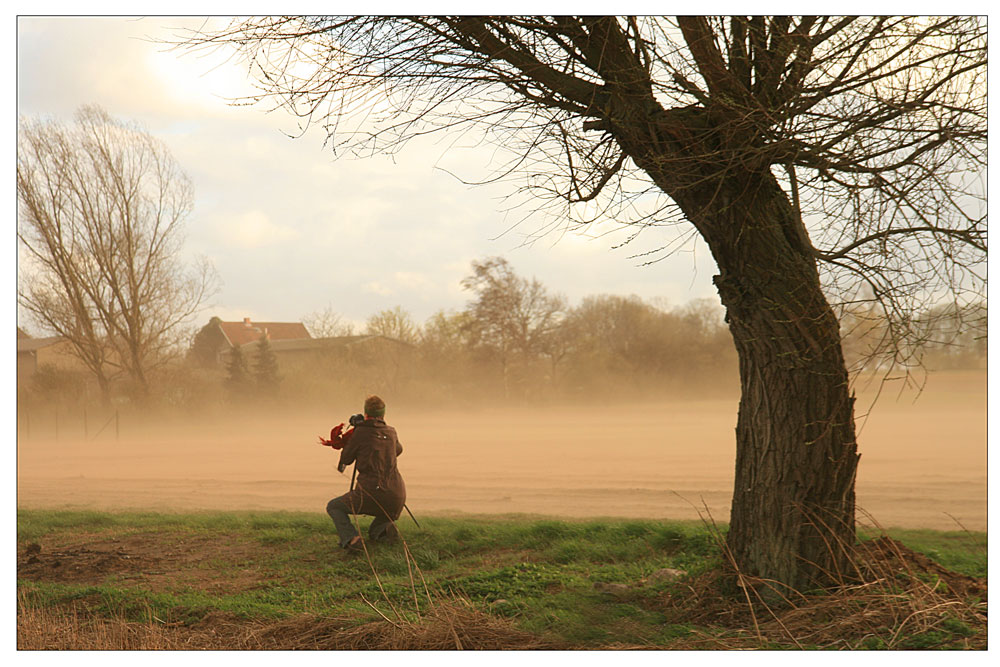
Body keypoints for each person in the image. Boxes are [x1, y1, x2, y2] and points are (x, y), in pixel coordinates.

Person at [323, 395, 406, 552]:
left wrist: (358, 431)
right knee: (377, 527)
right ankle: (384, 531)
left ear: (365, 413)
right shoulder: (391, 432)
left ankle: (352, 539)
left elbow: (346, 459)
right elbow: (398, 450)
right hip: (397, 497)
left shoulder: (360, 433)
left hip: (371, 493)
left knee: (334, 506)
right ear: (383, 414)